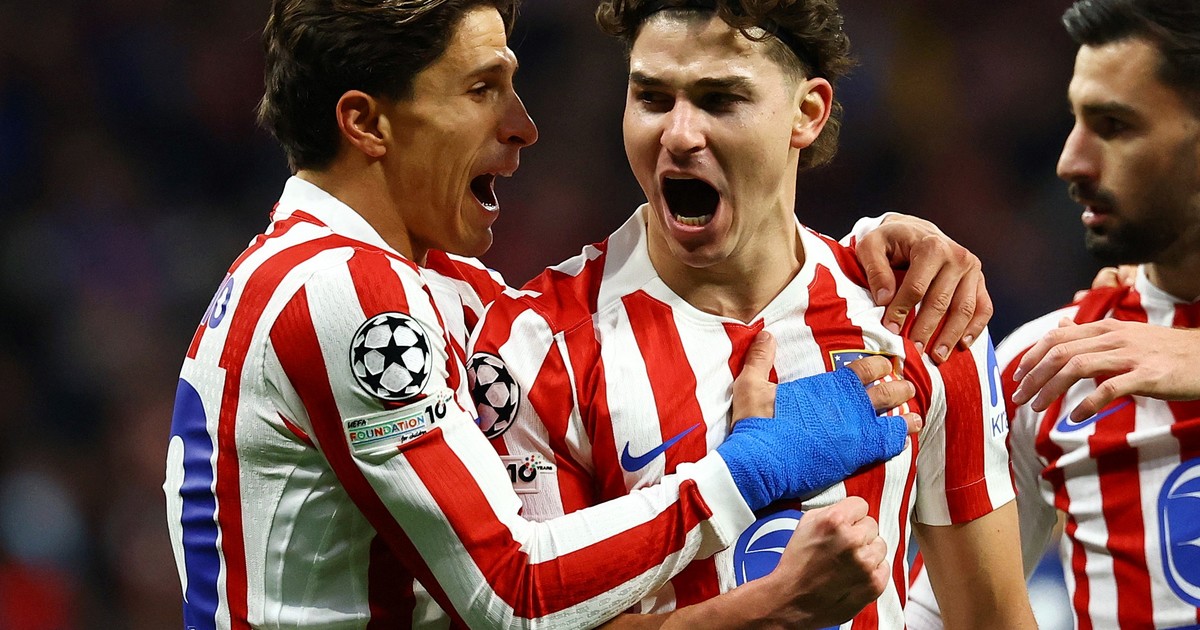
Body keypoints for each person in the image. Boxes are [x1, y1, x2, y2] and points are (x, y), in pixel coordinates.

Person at [162, 1, 993, 628]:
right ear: (366, 123)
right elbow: (512, 594)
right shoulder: (346, 293)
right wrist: (748, 480)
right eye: (482, 90)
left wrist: (871, 244)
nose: (523, 127)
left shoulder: (418, 285)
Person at [467, 1, 1036, 628]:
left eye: (720, 100)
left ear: (807, 113)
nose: (678, 135)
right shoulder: (536, 347)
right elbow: (528, 613)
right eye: (652, 98)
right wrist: (772, 609)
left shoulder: (916, 318)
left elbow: (994, 618)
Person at [906, 1, 1200, 628]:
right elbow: (949, 614)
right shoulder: (1052, 364)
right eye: (1076, 121)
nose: (1071, 161)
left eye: (1114, 125)